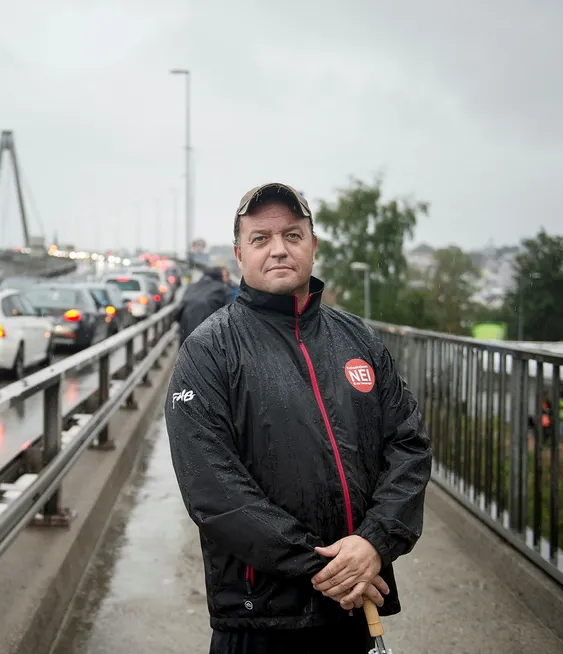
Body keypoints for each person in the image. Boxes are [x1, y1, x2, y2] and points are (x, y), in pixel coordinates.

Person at [165, 182, 432, 654]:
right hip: (260, 622)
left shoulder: (359, 340)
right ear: (239, 253)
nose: (278, 250)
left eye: (292, 235)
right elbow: (212, 489)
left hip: (352, 611)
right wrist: (320, 566)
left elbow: (408, 445)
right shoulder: (208, 351)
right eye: (260, 238)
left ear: (313, 245)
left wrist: (374, 542)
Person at [176, 265, 232, 344]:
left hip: (187, 337)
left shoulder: (191, 287)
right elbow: (230, 316)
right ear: (220, 276)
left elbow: (179, 312)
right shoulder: (223, 290)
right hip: (209, 339)